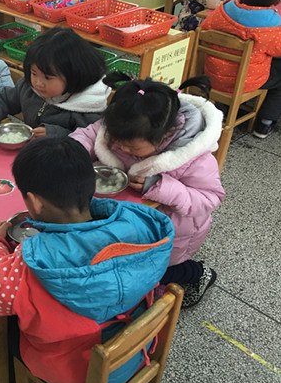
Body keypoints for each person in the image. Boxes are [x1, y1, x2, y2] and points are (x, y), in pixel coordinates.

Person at [0, 136, 174, 383]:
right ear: (92, 185)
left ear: (34, 202)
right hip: (133, 354)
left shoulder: (32, 266)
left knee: (9, 326)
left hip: (79, 373)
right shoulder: (139, 225)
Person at [70, 73, 226, 308]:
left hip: (169, 233)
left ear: (164, 136)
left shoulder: (193, 156)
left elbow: (210, 198)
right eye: (116, 141)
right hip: (126, 220)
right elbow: (90, 134)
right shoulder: (123, 126)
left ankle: (197, 274)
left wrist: (161, 186)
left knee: (154, 270)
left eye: (131, 147)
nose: (121, 148)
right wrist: (73, 150)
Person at [0, 27, 110, 138]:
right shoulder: (29, 88)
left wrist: (54, 134)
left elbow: (90, 142)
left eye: (48, 77)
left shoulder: (87, 108)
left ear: (73, 75)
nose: (38, 83)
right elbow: (4, 99)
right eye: (34, 73)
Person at [201, 0, 281, 138]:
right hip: (246, 81)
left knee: (230, 65)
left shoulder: (223, 10)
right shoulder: (271, 24)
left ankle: (221, 109)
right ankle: (265, 123)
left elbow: (204, 28)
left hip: (213, 75)